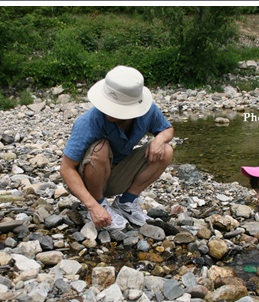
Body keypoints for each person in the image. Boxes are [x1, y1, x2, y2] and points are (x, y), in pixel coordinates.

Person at [60, 65, 174, 230]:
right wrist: (93, 206)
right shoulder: (89, 122)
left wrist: (160, 139)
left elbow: (168, 129)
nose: (109, 112)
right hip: (85, 180)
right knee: (101, 148)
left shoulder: (147, 112)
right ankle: (101, 203)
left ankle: (126, 203)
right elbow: (66, 168)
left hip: (114, 174)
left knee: (166, 150)